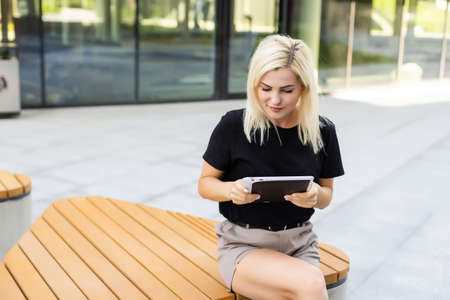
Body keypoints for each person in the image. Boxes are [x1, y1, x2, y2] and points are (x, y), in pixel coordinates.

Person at [198, 34, 344, 300]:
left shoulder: (323, 131)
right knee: (310, 285)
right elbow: (205, 184)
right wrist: (232, 190)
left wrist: (314, 195)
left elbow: (326, 196)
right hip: (244, 246)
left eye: (287, 90)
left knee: (306, 287)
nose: (275, 100)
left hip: (300, 245)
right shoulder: (233, 126)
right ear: (254, 84)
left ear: (304, 88)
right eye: (266, 88)